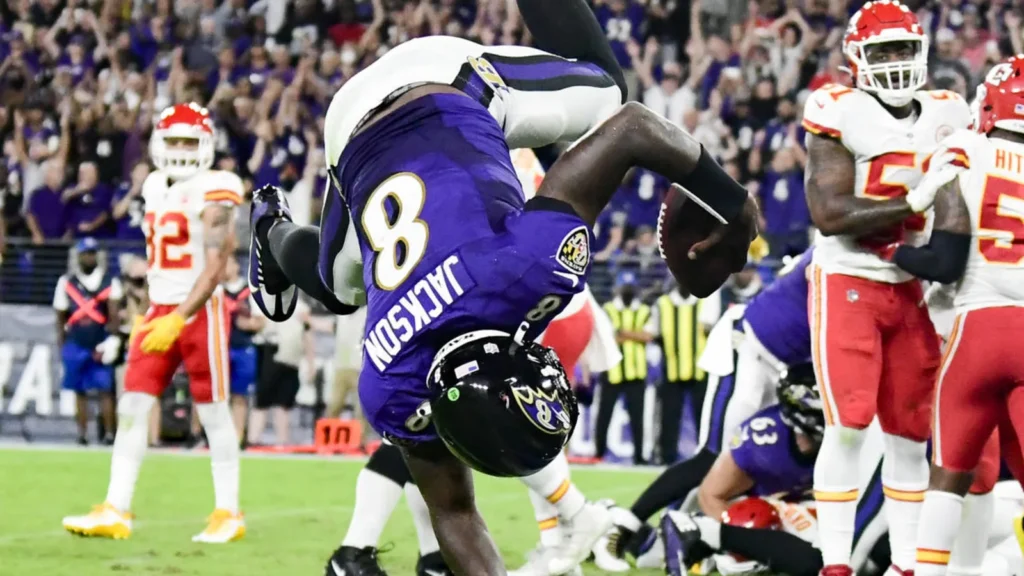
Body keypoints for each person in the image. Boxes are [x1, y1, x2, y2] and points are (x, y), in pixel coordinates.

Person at [248, 1, 757, 572]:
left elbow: (635, 127)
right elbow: (457, 513)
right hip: (351, 132)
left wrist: (735, 207)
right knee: (337, 289)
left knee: (611, 93)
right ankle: (274, 230)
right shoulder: (391, 380)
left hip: (439, 88)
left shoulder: (530, 269)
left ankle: (270, 232)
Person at [799, 2, 972, 573]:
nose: (896, 62)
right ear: (856, 59)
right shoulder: (837, 108)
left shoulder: (948, 110)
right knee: (848, 424)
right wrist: (914, 200)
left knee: (909, 433)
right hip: (850, 277)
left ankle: (906, 565)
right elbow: (828, 211)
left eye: (903, 49)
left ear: (922, 52)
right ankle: (836, 564)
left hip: (912, 286)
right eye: (883, 51)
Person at [63, 103, 245, 544]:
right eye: (175, 140)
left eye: (189, 141)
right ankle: (116, 508)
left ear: (205, 144)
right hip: (160, 309)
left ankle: (228, 514)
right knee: (132, 408)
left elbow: (218, 261)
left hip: (199, 310)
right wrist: (150, 310)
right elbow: (158, 262)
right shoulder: (154, 185)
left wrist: (179, 316)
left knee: (214, 414)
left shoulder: (216, 186)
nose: (181, 149)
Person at [902, 55, 1024, 576]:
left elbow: (945, 262)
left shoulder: (966, 148)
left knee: (947, 481)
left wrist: (894, 254)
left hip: (977, 327)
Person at [53, 237, 122, 446]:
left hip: (100, 341)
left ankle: (110, 433)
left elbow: (114, 317)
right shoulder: (66, 282)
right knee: (78, 391)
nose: (89, 258)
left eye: (92, 254)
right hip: (76, 342)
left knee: (106, 390)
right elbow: (60, 316)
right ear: (78, 256)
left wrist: (113, 340)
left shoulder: (110, 282)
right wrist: (63, 345)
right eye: (85, 254)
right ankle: (82, 434)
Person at [598, 271, 653, 464]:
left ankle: (639, 456)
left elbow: (649, 336)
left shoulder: (644, 310)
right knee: (604, 415)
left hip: (636, 372)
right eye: (625, 288)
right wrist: (634, 335)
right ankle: (599, 453)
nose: (628, 292)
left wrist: (622, 333)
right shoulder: (607, 309)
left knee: (637, 418)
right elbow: (606, 336)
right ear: (618, 289)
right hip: (612, 370)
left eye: (630, 288)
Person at [222, 257, 264, 442]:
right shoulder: (216, 290)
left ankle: (237, 437)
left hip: (242, 347)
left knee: (240, 395)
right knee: (216, 396)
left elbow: (260, 322)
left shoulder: (249, 292)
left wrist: (244, 324)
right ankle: (211, 436)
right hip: (220, 347)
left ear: (236, 266)